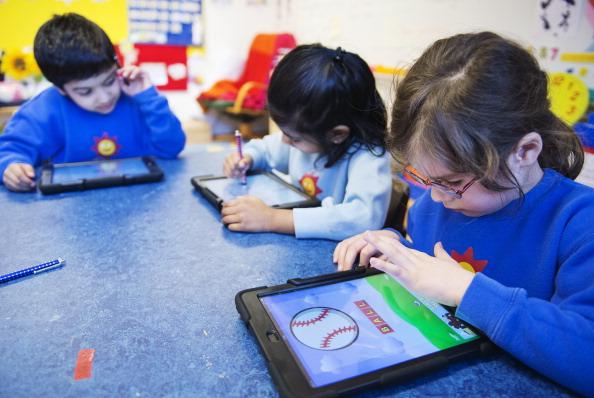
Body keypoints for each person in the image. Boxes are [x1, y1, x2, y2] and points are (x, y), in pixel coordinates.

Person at [333, 32, 594, 395]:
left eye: (452, 181)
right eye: (423, 178)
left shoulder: (580, 223)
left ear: (525, 151)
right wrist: (395, 248)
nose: (435, 198)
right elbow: (430, 272)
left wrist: (467, 290)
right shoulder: (435, 205)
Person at [222, 44, 392, 241]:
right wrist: (247, 158)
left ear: (337, 134)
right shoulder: (310, 135)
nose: (285, 141)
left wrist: (273, 219)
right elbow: (267, 149)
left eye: (294, 138)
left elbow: (362, 218)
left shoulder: (369, 157)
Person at [0, 13, 186, 192]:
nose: (104, 98)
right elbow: (10, 151)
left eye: (109, 81)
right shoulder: (43, 110)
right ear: (61, 89)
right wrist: (10, 166)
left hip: (140, 201)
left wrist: (147, 96)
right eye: (85, 91)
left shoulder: (137, 98)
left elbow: (171, 148)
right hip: (68, 207)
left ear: (117, 65)